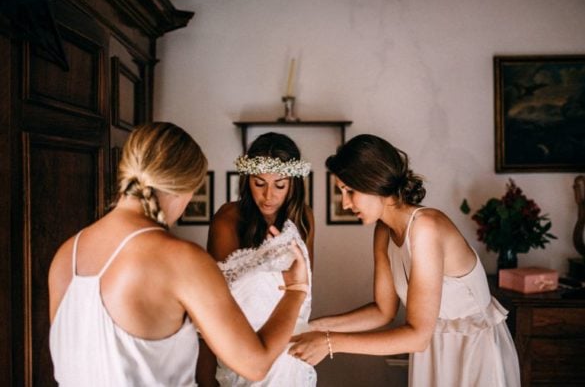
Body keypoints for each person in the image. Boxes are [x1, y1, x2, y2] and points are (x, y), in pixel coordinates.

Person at [48, 122, 309, 386]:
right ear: (183, 187)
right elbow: (256, 365)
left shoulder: (66, 255)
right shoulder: (181, 259)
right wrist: (296, 289)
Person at [289, 134, 520, 387]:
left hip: (473, 352)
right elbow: (382, 311)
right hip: (432, 352)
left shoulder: (426, 228)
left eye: (349, 191)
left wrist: (330, 342)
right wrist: (312, 327)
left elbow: (417, 336)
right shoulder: (383, 231)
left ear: (374, 183)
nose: (345, 204)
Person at [196, 132, 316, 387]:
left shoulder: (304, 219)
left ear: (293, 183)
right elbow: (217, 302)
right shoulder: (228, 219)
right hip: (242, 345)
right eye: (259, 183)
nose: (268, 195)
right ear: (247, 179)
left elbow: (304, 291)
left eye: (279, 185)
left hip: (289, 343)